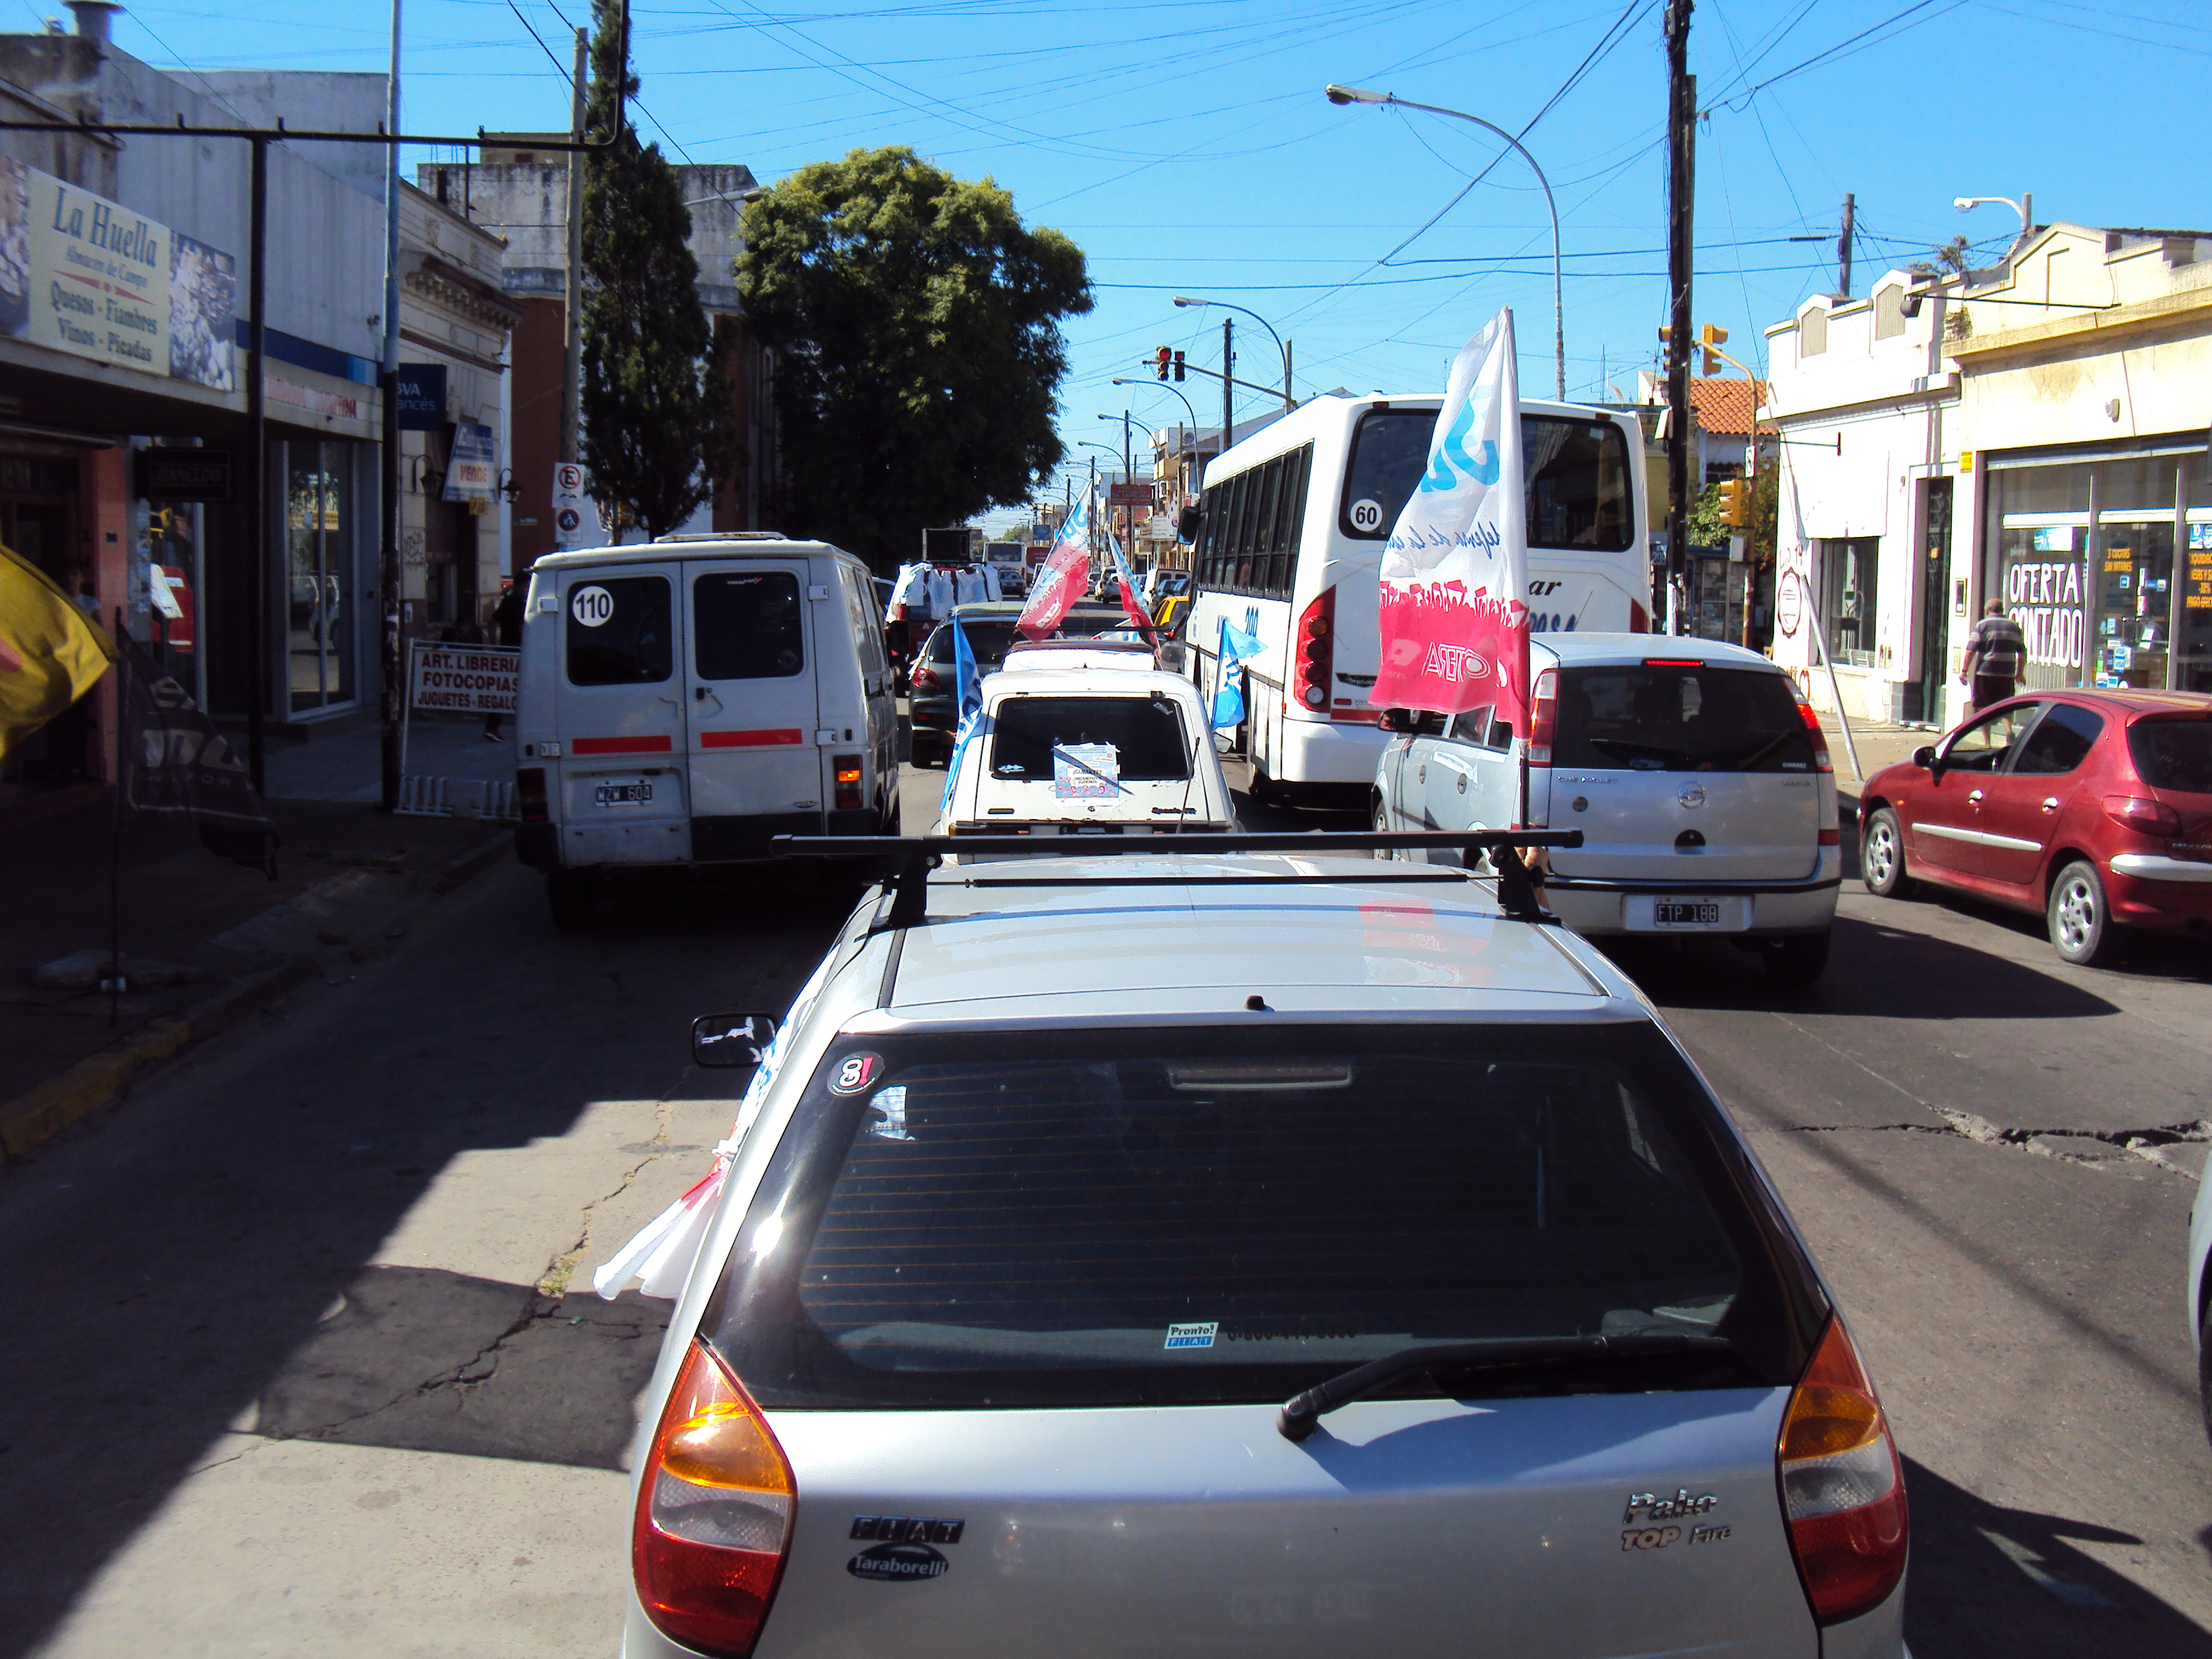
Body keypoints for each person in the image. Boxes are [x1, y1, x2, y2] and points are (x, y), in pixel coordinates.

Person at [1960, 599, 2026, 712]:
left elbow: (1971, 651)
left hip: (1985, 673)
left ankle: (1987, 725)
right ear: (2002, 610)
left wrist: (1964, 671)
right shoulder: (2014, 626)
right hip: (2007, 674)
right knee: (2005, 707)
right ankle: (2007, 724)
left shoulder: (1982, 626)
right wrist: (2019, 673)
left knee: (1984, 708)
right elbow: (2022, 653)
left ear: (1987, 610)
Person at [484, 580, 526, 740]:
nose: (527, 589)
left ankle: (492, 726)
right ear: (517, 587)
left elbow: (492, 622)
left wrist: (495, 645)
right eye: (525, 586)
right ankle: (493, 726)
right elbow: (522, 629)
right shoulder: (517, 604)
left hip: (506, 650)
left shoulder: (507, 601)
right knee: (512, 689)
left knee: (503, 689)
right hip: (517, 651)